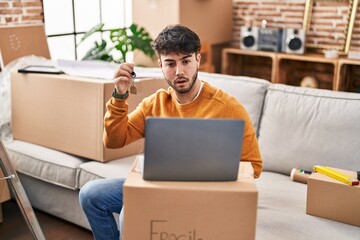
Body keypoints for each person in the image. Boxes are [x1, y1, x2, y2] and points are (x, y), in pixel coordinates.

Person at [79, 24, 262, 240]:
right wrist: (119, 96)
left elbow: (254, 166)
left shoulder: (228, 107)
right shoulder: (155, 103)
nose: (179, 71)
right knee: (90, 194)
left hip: (205, 193)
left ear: (198, 60)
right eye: (170, 64)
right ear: (161, 66)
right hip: (160, 185)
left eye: (186, 61)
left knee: (131, 211)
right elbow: (114, 141)